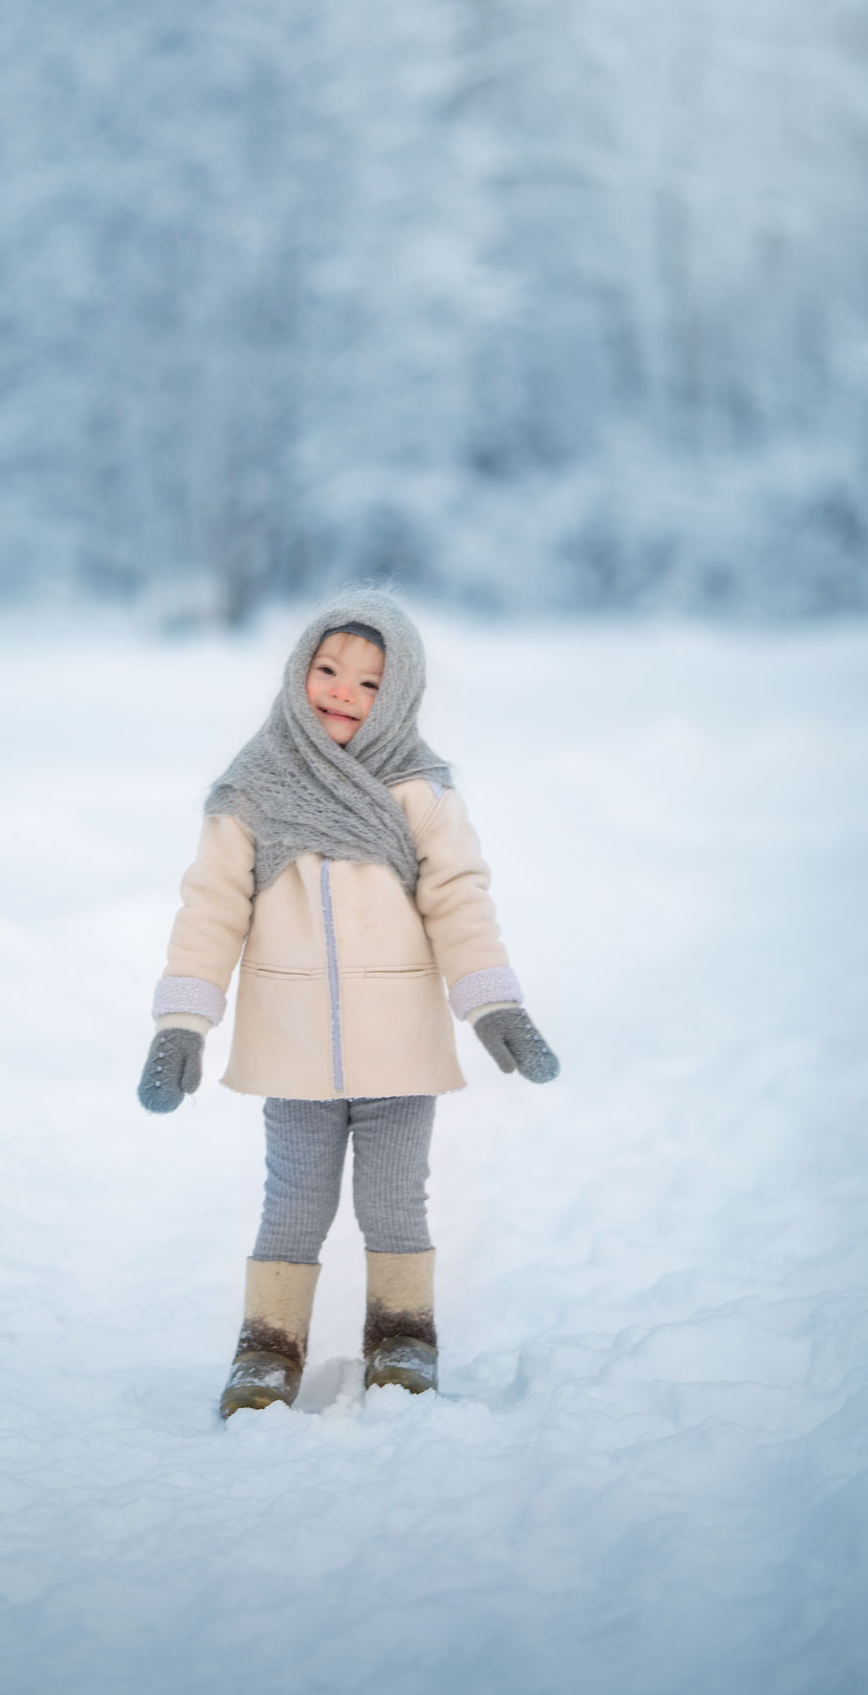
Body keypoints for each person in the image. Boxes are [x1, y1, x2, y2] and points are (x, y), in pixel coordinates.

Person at [137, 589, 558, 1419]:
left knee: (395, 1198)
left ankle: (403, 1335)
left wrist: (493, 1004)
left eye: (369, 683)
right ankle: (267, 1345)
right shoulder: (253, 789)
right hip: (291, 1047)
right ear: (298, 670)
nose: (341, 691)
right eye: (328, 669)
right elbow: (211, 907)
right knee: (293, 1200)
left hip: (399, 1044)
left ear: (398, 698)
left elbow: (460, 900)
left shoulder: (420, 790)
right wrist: (182, 1022)